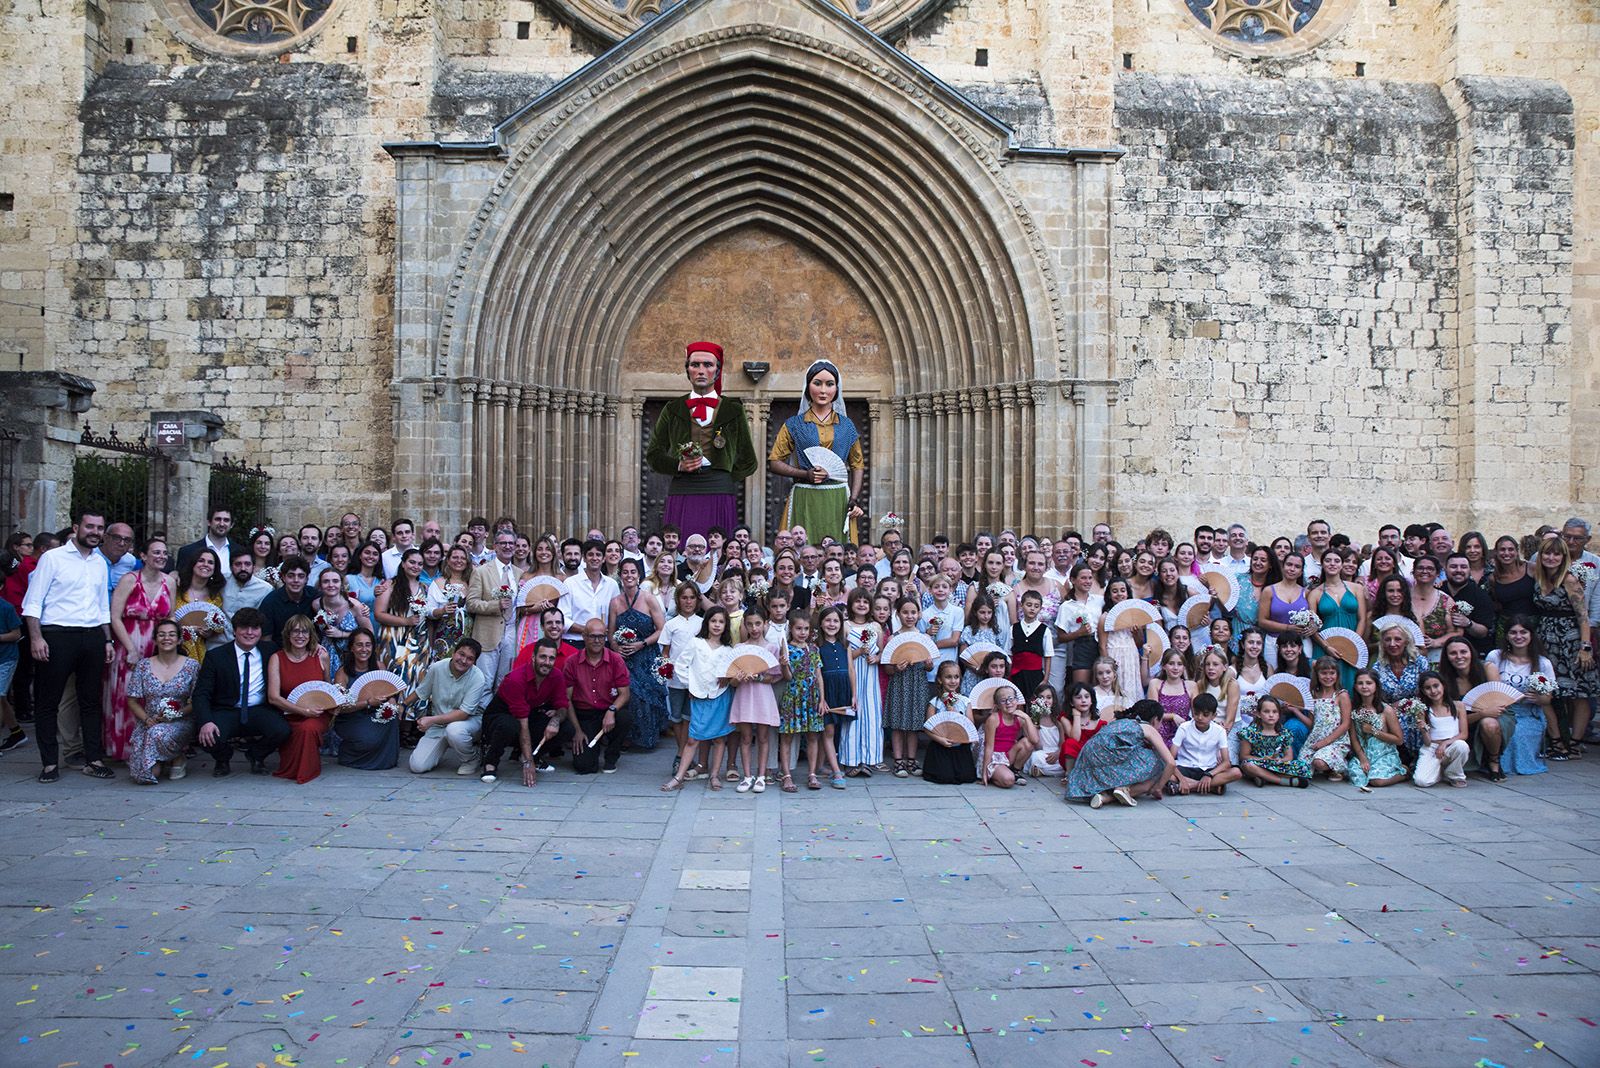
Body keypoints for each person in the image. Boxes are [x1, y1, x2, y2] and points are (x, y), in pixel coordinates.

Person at [22, 511, 116, 783]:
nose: (95, 531)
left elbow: (101, 606)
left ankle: (93, 759)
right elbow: (33, 602)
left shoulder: (100, 562)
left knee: (90, 700)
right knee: (48, 701)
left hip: (92, 637)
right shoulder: (53, 558)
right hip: (57, 634)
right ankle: (50, 763)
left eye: (100, 527)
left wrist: (107, 639)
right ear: (76, 527)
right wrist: (37, 638)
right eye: (90, 526)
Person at [645, 342, 759, 540]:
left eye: (708, 365)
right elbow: (654, 455)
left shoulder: (734, 409)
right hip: (683, 489)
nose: (701, 371)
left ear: (717, 371)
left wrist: (722, 476)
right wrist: (678, 465)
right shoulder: (673, 409)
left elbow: (749, 461)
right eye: (694, 365)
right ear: (687, 370)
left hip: (719, 492)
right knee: (679, 547)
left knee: (718, 550)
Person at [767, 359, 867, 545]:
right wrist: (805, 474)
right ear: (807, 387)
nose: (823, 390)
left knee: (837, 551)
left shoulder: (847, 426)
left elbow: (857, 464)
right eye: (817, 383)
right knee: (802, 549)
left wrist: (853, 498)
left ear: (837, 389)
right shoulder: (794, 424)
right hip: (805, 496)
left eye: (829, 384)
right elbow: (775, 462)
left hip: (838, 499)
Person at [193, 607, 291, 776]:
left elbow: (297, 650)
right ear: (235, 630)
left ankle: (256, 755)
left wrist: (316, 648)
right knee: (208, 737)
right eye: (244, 627)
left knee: (282, 730)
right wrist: (206, 721)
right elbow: (201, 693)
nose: (250, 633)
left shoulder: (271, 650)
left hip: (259, 709)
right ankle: (223, 758)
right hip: (226, 709)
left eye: (255, 628)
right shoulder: (216, 656)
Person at [105, 537, 177, 764]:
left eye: (164, 553)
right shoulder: (129, 580)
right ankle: (124, 749)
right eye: (156, 552)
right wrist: (130, 648)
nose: (161, 557)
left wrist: (170, 645)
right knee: (129, 696)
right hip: (131, 642)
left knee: (154, 697)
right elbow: (114, 616)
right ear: (143, 556)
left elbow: (171, 616)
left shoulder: (169, 582)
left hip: (158, 645)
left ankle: (152, 747)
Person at [1529, 535, 1597, 759]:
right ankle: (1557, 741)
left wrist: (1585, 647)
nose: (1551, 557)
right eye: (1547, 553)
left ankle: (1575, 743)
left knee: (1579, 691)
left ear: (1564, 557)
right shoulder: (1538, 576)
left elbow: (1583, 617)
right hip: (1545, 640)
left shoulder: (1569, 579)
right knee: (1548, 689)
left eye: (1556, 554)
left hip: (1569, 641)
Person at [665, 606, 736, 791]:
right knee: (693, 738)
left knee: (720, 738)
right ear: (707, 623)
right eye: (714, 621)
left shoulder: (728, 649)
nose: (717, 625)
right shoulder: (696, 643)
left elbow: (731, 671)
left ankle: (714, 775)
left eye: (721, 622)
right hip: (699, 697)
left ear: (726, 625)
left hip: (720, 696)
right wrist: (691, 685)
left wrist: (728, 678)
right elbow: (681, 665)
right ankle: (679, 777)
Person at [479, 639, 568, 786]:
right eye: (542, 657)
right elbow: (522, 722)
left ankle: (532, 755)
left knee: (566, 727)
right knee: (510, 725)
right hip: (500, 718)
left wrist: (556, 720)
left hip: (528, 715)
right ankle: (491, 762)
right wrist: (528, 763)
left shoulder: (556, 676)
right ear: (533, 657)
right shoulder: (516, 679)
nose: (547, 662)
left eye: (551, 658)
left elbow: (563, 705)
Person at [124, 618, 199, 785]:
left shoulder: (192, 666)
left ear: (179, 639)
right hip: (149, 723)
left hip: (179, 721)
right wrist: (147, 719)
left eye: (172, 635)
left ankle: (178, 755)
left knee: (157, 734)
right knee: (143, 775)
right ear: (155, 639)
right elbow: (133, 701)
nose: (167, 638)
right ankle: (165, 758)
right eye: (162, 635)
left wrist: (175, 715)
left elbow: (197, 701)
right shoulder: (143, 666)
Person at [1065, 699, 1173, 808]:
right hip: (1108, 756)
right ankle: (1118, 791)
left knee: (1141, 754)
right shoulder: (1147, 727)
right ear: (1155, 720)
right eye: (1161, 722)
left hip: (1088, 756)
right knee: (1158, 761)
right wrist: (1158, 787)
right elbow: (1171, 763)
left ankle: (1105, 795)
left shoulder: (1121, 722)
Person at [268, 615, 334, 784]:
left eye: (305, 631)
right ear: (287, 634)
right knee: (294, 728)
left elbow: (328, 688)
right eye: (295, 631)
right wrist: (303, 711)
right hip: (289, 712)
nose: (300, 636)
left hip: (317, 713)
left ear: (311, 635)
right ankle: (292, 767)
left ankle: (307, 771)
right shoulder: (277, 658)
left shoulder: (321, 656)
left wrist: (329, 707)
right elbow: (273, 697)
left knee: (308, 728)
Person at [408, 639, 489, 775]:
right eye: (461, 654)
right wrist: (401, 705)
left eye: (470, 658)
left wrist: (431, 720)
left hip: (467, 723)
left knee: (454, 731)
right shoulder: (437, 668)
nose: (463, 661)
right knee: (417, 766)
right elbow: (421, 692)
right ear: (453, 653)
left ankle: (471, 758)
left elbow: (463, 714)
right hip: (439, 726)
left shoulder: (478, 677)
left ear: (474, 662)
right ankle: (443, 745)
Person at [1487, 617, 1556, 776]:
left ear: (1531, 635)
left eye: (1523, 632)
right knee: (1502, 729)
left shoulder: (1543, 663)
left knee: (1518, 733)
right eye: (1513, 632)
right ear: (1506, 636)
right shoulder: (1496, 656)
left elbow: (1548, 699)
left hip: (1529, 713)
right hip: (1502, 711)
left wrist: (1538, 699)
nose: (1518, 637)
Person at [564, 617, 633, 774]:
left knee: (625, 718)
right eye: (592, 636)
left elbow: (625, 693)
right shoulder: (572, 662)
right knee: (584, 767)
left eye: (601, 636)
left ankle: (611, 756)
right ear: (584, 637)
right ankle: (591, 748)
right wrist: (577, 730)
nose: (597, 640)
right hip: (585, 715)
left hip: (608, 711)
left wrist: (612, 710)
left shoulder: (616, 660)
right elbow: (567, 700)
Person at [729, 605, 784, 792]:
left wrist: (759, 677)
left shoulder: (772, 648)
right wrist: (738, 678)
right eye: (750, 624)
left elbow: (775, 676)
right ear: (744, 625)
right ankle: (747, 776)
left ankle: (761, 775)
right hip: (744, 695)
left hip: (762, 695)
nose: (754, 628)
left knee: (762, 737)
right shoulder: (739, 648)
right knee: (745, 737)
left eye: (758, 624)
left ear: (765, 624)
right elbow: (732, 681)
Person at [332, 628, 401, 771]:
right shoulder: (342, 673)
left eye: (368, 645)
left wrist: (392, 701)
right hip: (351, 716)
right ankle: (349, 755)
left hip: (375, 713)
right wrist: (367, 702)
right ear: (351, 647)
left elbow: (390, 692)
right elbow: (339, 707)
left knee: (391, 716)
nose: (364, 649)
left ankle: (385, 759)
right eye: (359, 645)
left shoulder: (379, 666)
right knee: (367, 740)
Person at [467, 530, 526, 685]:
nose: (507, 546)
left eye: (511, 543)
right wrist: (496, 605)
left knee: (504, 681)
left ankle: (498, 710)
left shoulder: (520, 574)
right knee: (485, 682)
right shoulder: (481, 572)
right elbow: (471, 603)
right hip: (488, 633)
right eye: (503, 543)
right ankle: (481, 710)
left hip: (512, 632)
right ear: (495, 546)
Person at [777, 611, 825, 791]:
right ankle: (787, 775)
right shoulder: (787, 649)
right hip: (793, 695)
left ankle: (812, 774)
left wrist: (822, 699)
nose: (802, 632)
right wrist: (783, 665)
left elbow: (818, 674)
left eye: (806, 628)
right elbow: (788, 677)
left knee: (813, 735)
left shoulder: (813, 648)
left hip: (812, 697)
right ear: (791, 629)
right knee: (787, 736)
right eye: (798, 628)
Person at [1345, 667, 1408, 790]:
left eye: (1369, 683)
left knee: (1376, 781)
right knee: (1359, 779)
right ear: (1356, 686)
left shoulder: (1386, 710)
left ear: (1376, 686)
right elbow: (1353, 738)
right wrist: (1362, 758)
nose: (1364, 686)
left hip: (1384, 754)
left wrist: (1373, 731)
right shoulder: (1353, 709)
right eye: (1360, 683)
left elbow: (1399, 739)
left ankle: (1404, 773)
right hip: (1364, 753)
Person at [1170, 693, 1241, 795]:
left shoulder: (1219, 730)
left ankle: (1191, 786)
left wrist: (1209, 775)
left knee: (1236, 772)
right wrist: (1181, 779)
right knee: (1164, 771)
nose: (1199, 717)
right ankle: (1211, 787)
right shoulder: (1184, 727)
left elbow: (1226, 762)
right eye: (1196, 713)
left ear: (1214, 715)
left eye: (1205, 714)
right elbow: (1170, 758)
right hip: (1186, 767)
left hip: (1209, 768)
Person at [1238, 695, 1312, 788]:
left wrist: (1280, 760)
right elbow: (1244, 756)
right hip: (1260, 763)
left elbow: (1289, 756)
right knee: (1248, 766)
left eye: (1274, 712)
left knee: (1303, 766)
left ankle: (1263, 777)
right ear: (1258, 714)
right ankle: (1283, 781)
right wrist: (1263, 759)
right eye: (1266, 711)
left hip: (1277, 764)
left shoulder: (1284, 733)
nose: (1271, 715)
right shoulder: (1250, 732)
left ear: (1279, 714)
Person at [922, 660, 977, 784]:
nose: (953, 681)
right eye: (948, 677)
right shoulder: (935, 703)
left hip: (961, 746)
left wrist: (956, 715)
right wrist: (940, 739)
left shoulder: (965, 702)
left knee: (966, 777)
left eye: (956, 677)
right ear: (940, 679)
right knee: (944, 777)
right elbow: (927, 727)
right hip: (940, 745)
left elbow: (971, 726)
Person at [1413, 670, 1469, 788]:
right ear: (1423, 691)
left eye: (1436, 686)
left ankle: (1454, 774)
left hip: (1452, 745)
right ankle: (1439, 772)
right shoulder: (1422, 709)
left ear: (1443, 685)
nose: (1433, 691)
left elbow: (1464, 734)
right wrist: (1423, 730)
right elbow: (1427, 742)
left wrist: (1445, 743)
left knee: (1462, 746)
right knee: (1421, 781)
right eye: (1428, 688)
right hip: (1432, 748)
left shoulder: (1458, 706)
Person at [981, 682, 1039, 788]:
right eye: (1003, 701)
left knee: (1028, 743)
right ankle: (998, 776)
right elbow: (988, 747)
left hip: (1009, 755)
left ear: (1017, 700)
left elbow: (1034, 740)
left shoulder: (1020, 718)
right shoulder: (994, 719)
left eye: (1011, 699)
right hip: (995, 758)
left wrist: (1027, 718)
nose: (1008, 703)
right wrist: (984, 772)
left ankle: (1015, 771)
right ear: (997, 705)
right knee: (1008, 781)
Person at [1304, 655, 1352, 779]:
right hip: (1316, 739)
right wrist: (1295, 710)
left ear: (1337, 674)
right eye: (1324, 673)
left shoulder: (1341, 695)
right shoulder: (1314, 694)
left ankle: (1342, 766)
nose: (1328, 677)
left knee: (1318, 762)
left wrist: (1325, 742)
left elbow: (1346, 724)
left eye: (1332, 673)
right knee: (1302, 768)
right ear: (1317, 674)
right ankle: (1328, 767)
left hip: (1336, 741)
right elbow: (1312, 723)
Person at [175, 506, 236, 573]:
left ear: (231, 525)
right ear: (209, 522)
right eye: (218, 519)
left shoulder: (238, 550)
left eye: (226, 520)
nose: (222, 524)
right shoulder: (188, 552)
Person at [223, 551, 273, 616]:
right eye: (238, 564)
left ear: (253, 567)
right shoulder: (222, 581)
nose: (243, 568)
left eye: (247, 564)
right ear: (231, 567)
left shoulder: (266, 589)